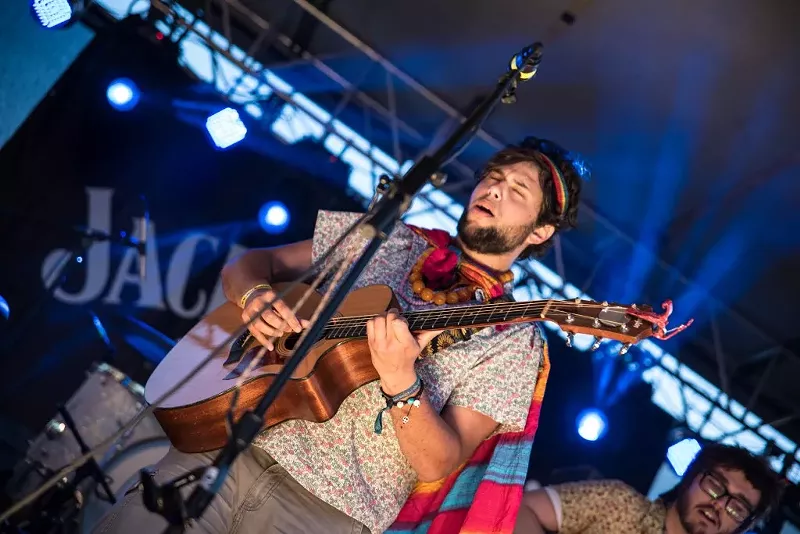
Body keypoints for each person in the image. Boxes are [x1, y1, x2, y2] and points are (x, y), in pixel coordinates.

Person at [94, 137, 584, 534]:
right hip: (232, 438)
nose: (495, 190)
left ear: (540, 232)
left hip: (325, 515)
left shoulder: (514, 338)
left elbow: (443, 460)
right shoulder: (389, 235)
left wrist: (401, 383)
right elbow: (251, 264)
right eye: (493, 178)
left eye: (518, 191)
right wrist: (256, 299)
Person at [514, 442, 784, 534]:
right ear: (689, 479)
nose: (719, 505)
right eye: (715, 486)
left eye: (736, 507)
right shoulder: (619, 503)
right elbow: (521, 508)